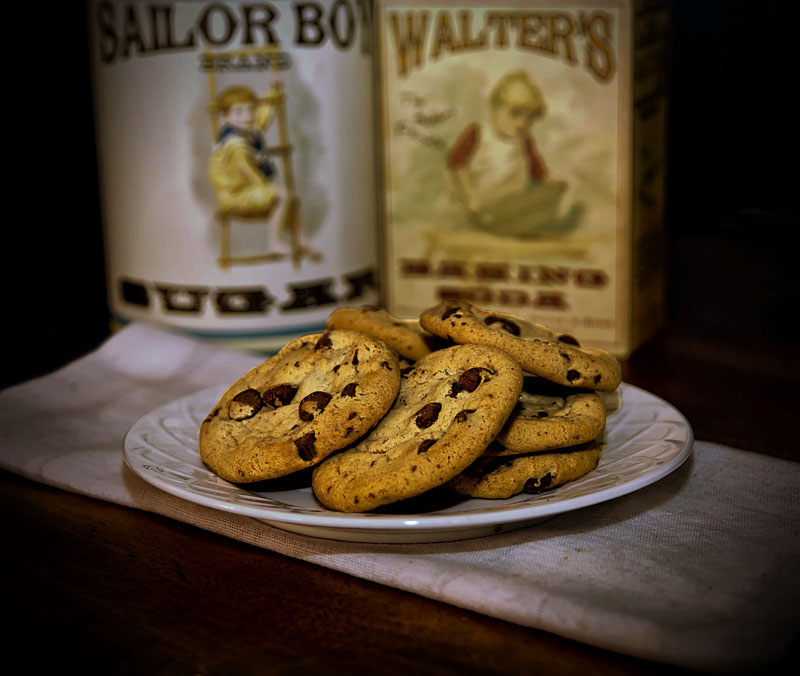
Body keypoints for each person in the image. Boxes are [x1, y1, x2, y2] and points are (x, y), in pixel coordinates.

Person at [448, 70, 551, 221]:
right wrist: (470, 197)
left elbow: (539, 175)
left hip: (507, 207)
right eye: (515, 114)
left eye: (530, 119)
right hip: (475, 204)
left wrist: (549, 186)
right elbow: (457, 164)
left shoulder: (525, 142)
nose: (522, 124)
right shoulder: (477, 133)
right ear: (496, 108)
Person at [209, 82, 281, 219]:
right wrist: (266, 189)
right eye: (239, 112)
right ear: (225, 116)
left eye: (251, 110)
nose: (247, 116)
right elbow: (248, 172)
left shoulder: (247, 131)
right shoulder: (234, 144)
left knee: (287, 200)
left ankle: (282, 239)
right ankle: (276, 240)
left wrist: (273, 89)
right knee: (280, 196)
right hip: (234, 195)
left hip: (248, 190)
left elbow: (262, 116)